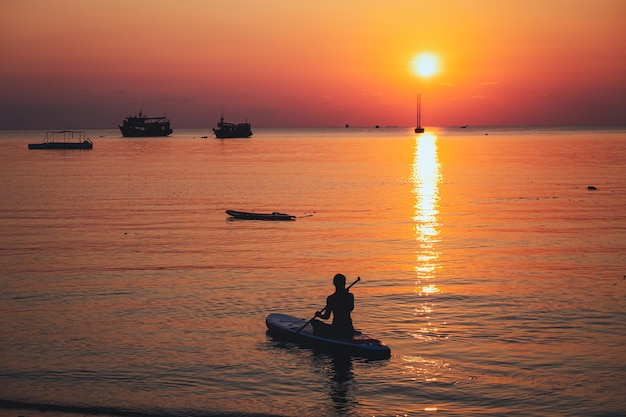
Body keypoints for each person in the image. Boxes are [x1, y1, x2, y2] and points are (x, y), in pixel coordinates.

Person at [311, 273, 355, 339]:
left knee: (314, 322)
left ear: (334, 283)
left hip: (336, 330)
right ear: (344, 283)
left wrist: (318, 315)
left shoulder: (331, 298)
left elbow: (326, 317)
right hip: (349, 330)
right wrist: (344, 296)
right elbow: (351, 308)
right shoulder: (350, 296)